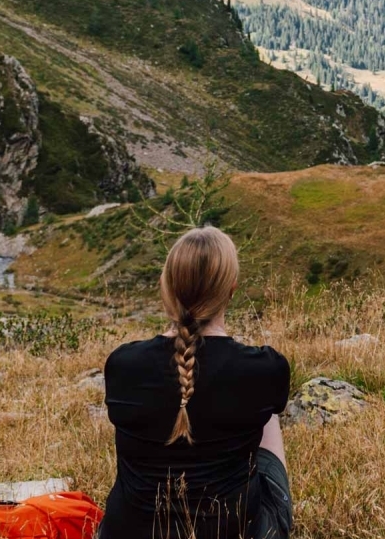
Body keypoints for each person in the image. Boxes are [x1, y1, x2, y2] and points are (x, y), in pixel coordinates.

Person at [99, 226, 293, 538]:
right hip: (238, 530)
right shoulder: (265, 367)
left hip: (128, 532)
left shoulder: (122, 364)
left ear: (167, 288)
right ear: (231, 289)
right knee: (268, 408)